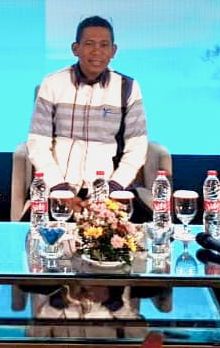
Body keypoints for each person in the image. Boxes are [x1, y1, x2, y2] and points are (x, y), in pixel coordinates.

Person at [27, 16, 148, 206]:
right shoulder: (53, 83)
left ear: (113, 51)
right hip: (58, 188)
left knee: (142, 224)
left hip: (110, 190)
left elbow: (137, 146)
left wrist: (112, 190)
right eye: (89, 44)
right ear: (75, 49)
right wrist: (59, 189)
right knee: (35, 224)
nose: (96, 51)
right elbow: (38, 143)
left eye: (104, 45)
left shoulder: (128, 87)